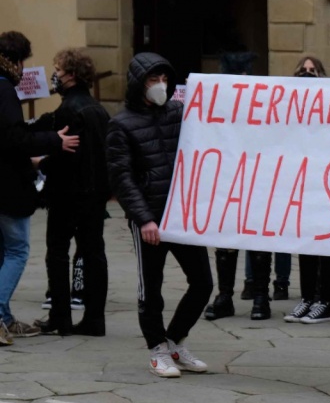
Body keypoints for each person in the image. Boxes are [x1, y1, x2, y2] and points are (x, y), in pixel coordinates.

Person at [107, 52, 213, 378]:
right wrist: (144, 219)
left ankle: (174, 340)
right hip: (150, 220)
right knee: (150, 289)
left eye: (165, 79)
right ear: (140, 84)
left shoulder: (179, 113)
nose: (161, 85)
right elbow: (122, 178)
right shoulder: (121, 125)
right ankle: (156, 350)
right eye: (154, 80)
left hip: (180, 217)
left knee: (203, 283)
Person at [0, 31, 80, 344]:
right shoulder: (5, 89)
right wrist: (53, 140)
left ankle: (5, 318)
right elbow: (14, 139)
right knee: (18, 250)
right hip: (7, 188)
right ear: (17, 61)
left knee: (3, 250)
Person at [33, 48, 110, 336]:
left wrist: (40, 162)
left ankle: (60, 317)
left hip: (68, 192)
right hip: (95, 193)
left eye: (59, 70)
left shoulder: (68, 110)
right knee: (94, 253)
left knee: (57, 252)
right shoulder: (98, 109)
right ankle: (95, 318)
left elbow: (66, 153)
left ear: (72, 75)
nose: (55, 75)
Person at [203, 52, 275, 322]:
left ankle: (260, 296)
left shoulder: (262, 102)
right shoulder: (218, 104)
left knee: (257, 238)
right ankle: (225, 296)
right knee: (225, 240)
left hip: (257, 176)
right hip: (227, 177)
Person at [283, 56, 330, 325]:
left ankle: (324, 301)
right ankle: (307, 297)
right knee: (306, 243)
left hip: (327, 183)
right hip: (302, 184)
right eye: (303, 71)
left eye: (313, 71)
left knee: (326, 242)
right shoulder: (288, 108)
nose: (308, 75)